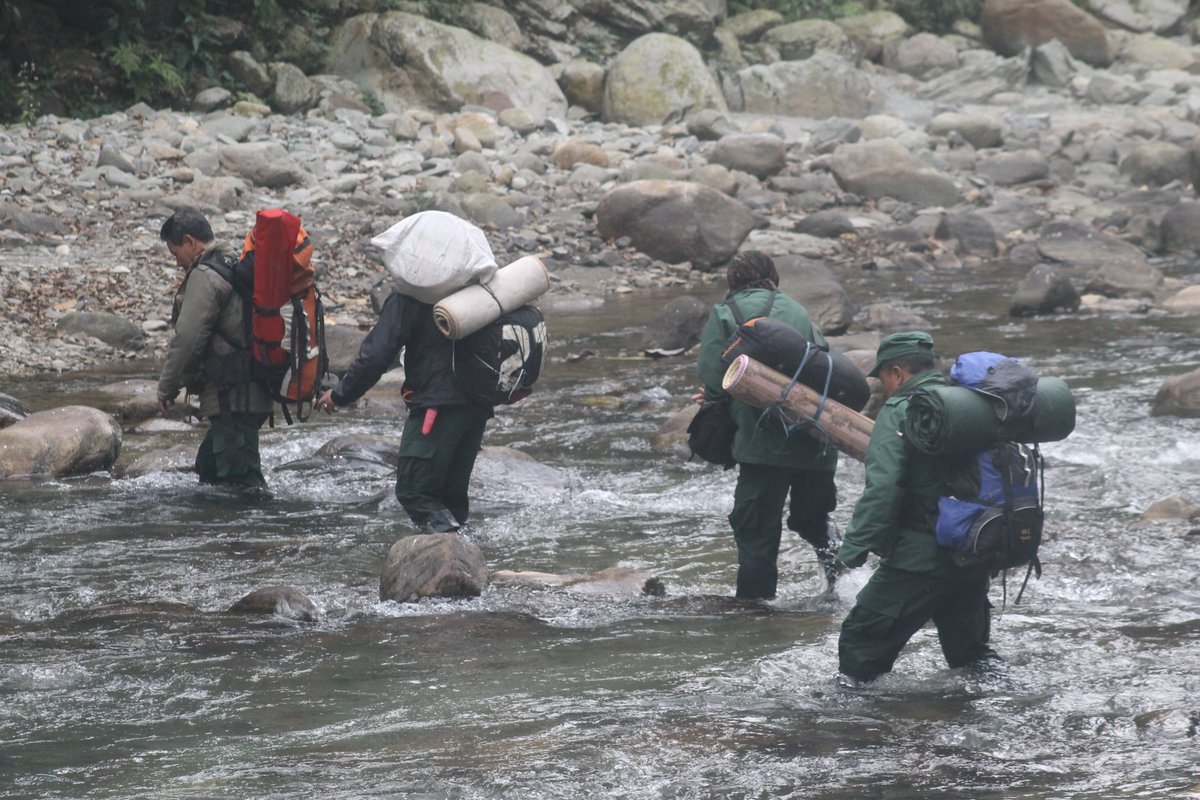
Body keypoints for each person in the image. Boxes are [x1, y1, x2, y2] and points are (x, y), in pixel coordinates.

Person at [836, 331, 1000, 684]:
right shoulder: (969, 405)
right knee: (971, 658)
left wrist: (851, 552)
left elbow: (882, 489)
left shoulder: (900, 412)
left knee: (859, 644)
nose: (885, 387)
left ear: (897, 373)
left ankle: (846, 726)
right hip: (974, 552)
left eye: (883, 378)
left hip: (919, 558)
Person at [696, 250, 841, 599]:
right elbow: (825, 359)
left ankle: (756, 616)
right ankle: (847, 586)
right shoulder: (799, 310)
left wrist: (714, 398)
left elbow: (714, 379)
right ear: (773, 277)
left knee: (756, 532)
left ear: (733, 281)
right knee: (814, 521)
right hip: (816, 439)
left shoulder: (726, 313)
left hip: (762, 447)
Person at [316, 291, 493, 534]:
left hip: (436, 406)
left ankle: (453, 557)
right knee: (452, 500)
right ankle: (467, 562)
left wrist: (340, 394)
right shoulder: (473, 286)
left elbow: (376, 356)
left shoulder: (411, 293)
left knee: (413, 491)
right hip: (477, 406)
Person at [157, 207, 273, 490]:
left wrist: (167, 387)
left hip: (234, 395)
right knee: (209, 465)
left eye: (175, 254)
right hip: (252, 388)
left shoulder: (206, 275)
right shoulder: (232, 262)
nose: (176, 263)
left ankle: (268, 531)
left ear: (189, 242)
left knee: (241, 485)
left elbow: (187, 338)